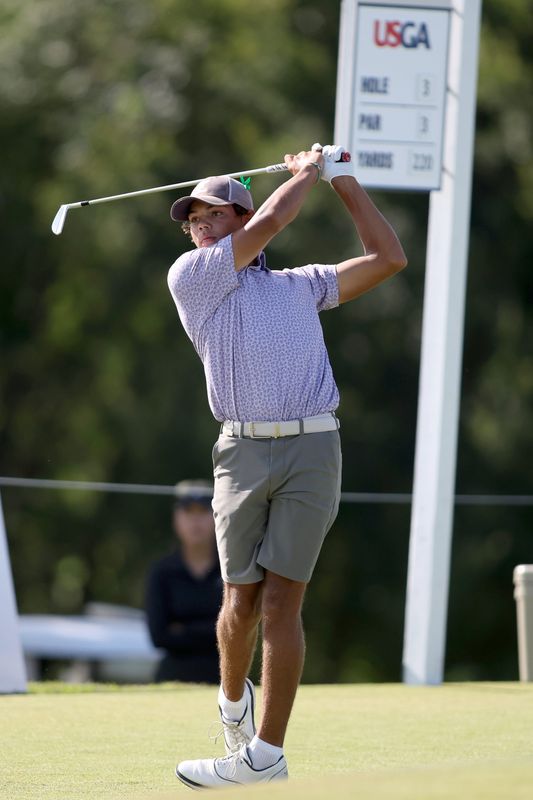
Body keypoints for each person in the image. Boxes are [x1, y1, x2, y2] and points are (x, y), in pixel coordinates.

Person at [166, 144, 407, 787]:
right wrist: (306, 172)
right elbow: (273, 221)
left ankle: (265, 757)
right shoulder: (192, 278)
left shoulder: (302, 287)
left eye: (213, 216)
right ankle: (232, 704)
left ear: (237, 218)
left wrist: (342, 180)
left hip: (311, 448)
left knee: (279, 603)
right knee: (238, 602)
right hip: (240, 452)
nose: (201, 228)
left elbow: (389, 259)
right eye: (193, 220)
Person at [145, 479, 222, 684]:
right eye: (188, 512)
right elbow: (158, 636)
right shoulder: (162, 572)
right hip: (171, 679)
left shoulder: (231, 571)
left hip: (225, 678)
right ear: (176, 518)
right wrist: (216, 629)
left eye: (204, 511)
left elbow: (243, 633)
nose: (195, 521)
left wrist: (183, 629)